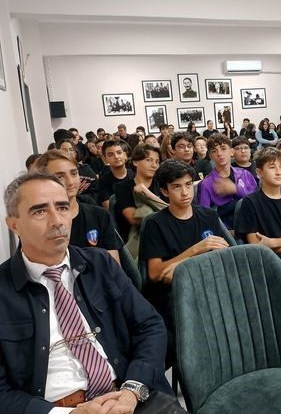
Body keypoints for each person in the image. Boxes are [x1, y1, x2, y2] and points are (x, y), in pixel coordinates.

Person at [1, 171, 185, 413]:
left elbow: (149, 326)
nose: (57, 220)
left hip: (126, 395)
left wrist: (132, 390)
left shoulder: (99, 264)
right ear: (14, 224)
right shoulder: (4, 291)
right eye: (40, 211)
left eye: (63, 207)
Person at [140, 159, 231, 363]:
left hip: (208, 283)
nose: (185, 193)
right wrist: (196, 249)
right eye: (176, 187)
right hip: (174, 294)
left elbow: (222, 255)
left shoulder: (208, 215)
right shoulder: (155, 223)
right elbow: (155, 273)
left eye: (189, 185)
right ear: (164, 191)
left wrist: (180, 264)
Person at [236, 147, 281, 283]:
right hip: (271, 261)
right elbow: (255, 244)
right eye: (272, 167)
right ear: (259, 173)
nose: (278, 172)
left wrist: (272, 242)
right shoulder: (250, 202)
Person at [35, 150, 122, 263]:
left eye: (74, 173)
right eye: (60, 176)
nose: (70, 182)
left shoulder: (99, 215)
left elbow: (114, 268)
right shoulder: (39, 223)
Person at [198, 134, 257, 228]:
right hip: (227, 230)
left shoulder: (245, 174)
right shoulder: (206, 184)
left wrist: (236, 190)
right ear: (210, 156)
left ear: (231, 151)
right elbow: (204, 217)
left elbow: (257, 202)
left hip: (252, 224)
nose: (219, 154)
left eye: (223, 148)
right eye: (214, 151)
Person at [114, 144, 166, 250]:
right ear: (135, 162)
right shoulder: (123, 187)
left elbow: (175, 212)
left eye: (157, 161)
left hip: (165, 234)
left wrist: (147, 193)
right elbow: (135, 219)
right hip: (140, 240)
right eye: (149, 160)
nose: (154, 165)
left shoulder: (163, 185)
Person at [97, 140, 134, 209]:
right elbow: (109, 208)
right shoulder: (103, 180)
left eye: (119, 153)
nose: (116, 157)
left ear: (125, 155)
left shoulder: (134, 174)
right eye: (110, 154)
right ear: (105, 159)